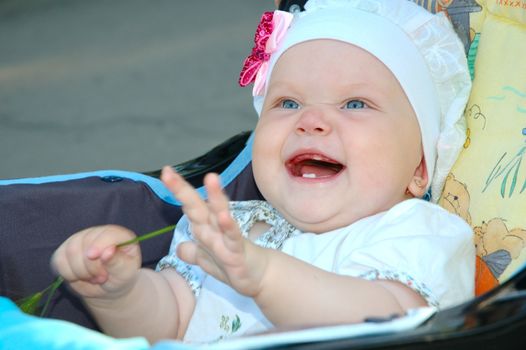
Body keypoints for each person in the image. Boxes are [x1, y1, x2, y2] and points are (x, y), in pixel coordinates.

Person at [51, 0, 475, 345]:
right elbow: (169, 324)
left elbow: (387, 319)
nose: (310, 121)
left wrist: (268, 277)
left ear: (419, 168)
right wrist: (120, 293)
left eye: (354, 104)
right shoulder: (232, 226)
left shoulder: (418, 232)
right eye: (288, 103)